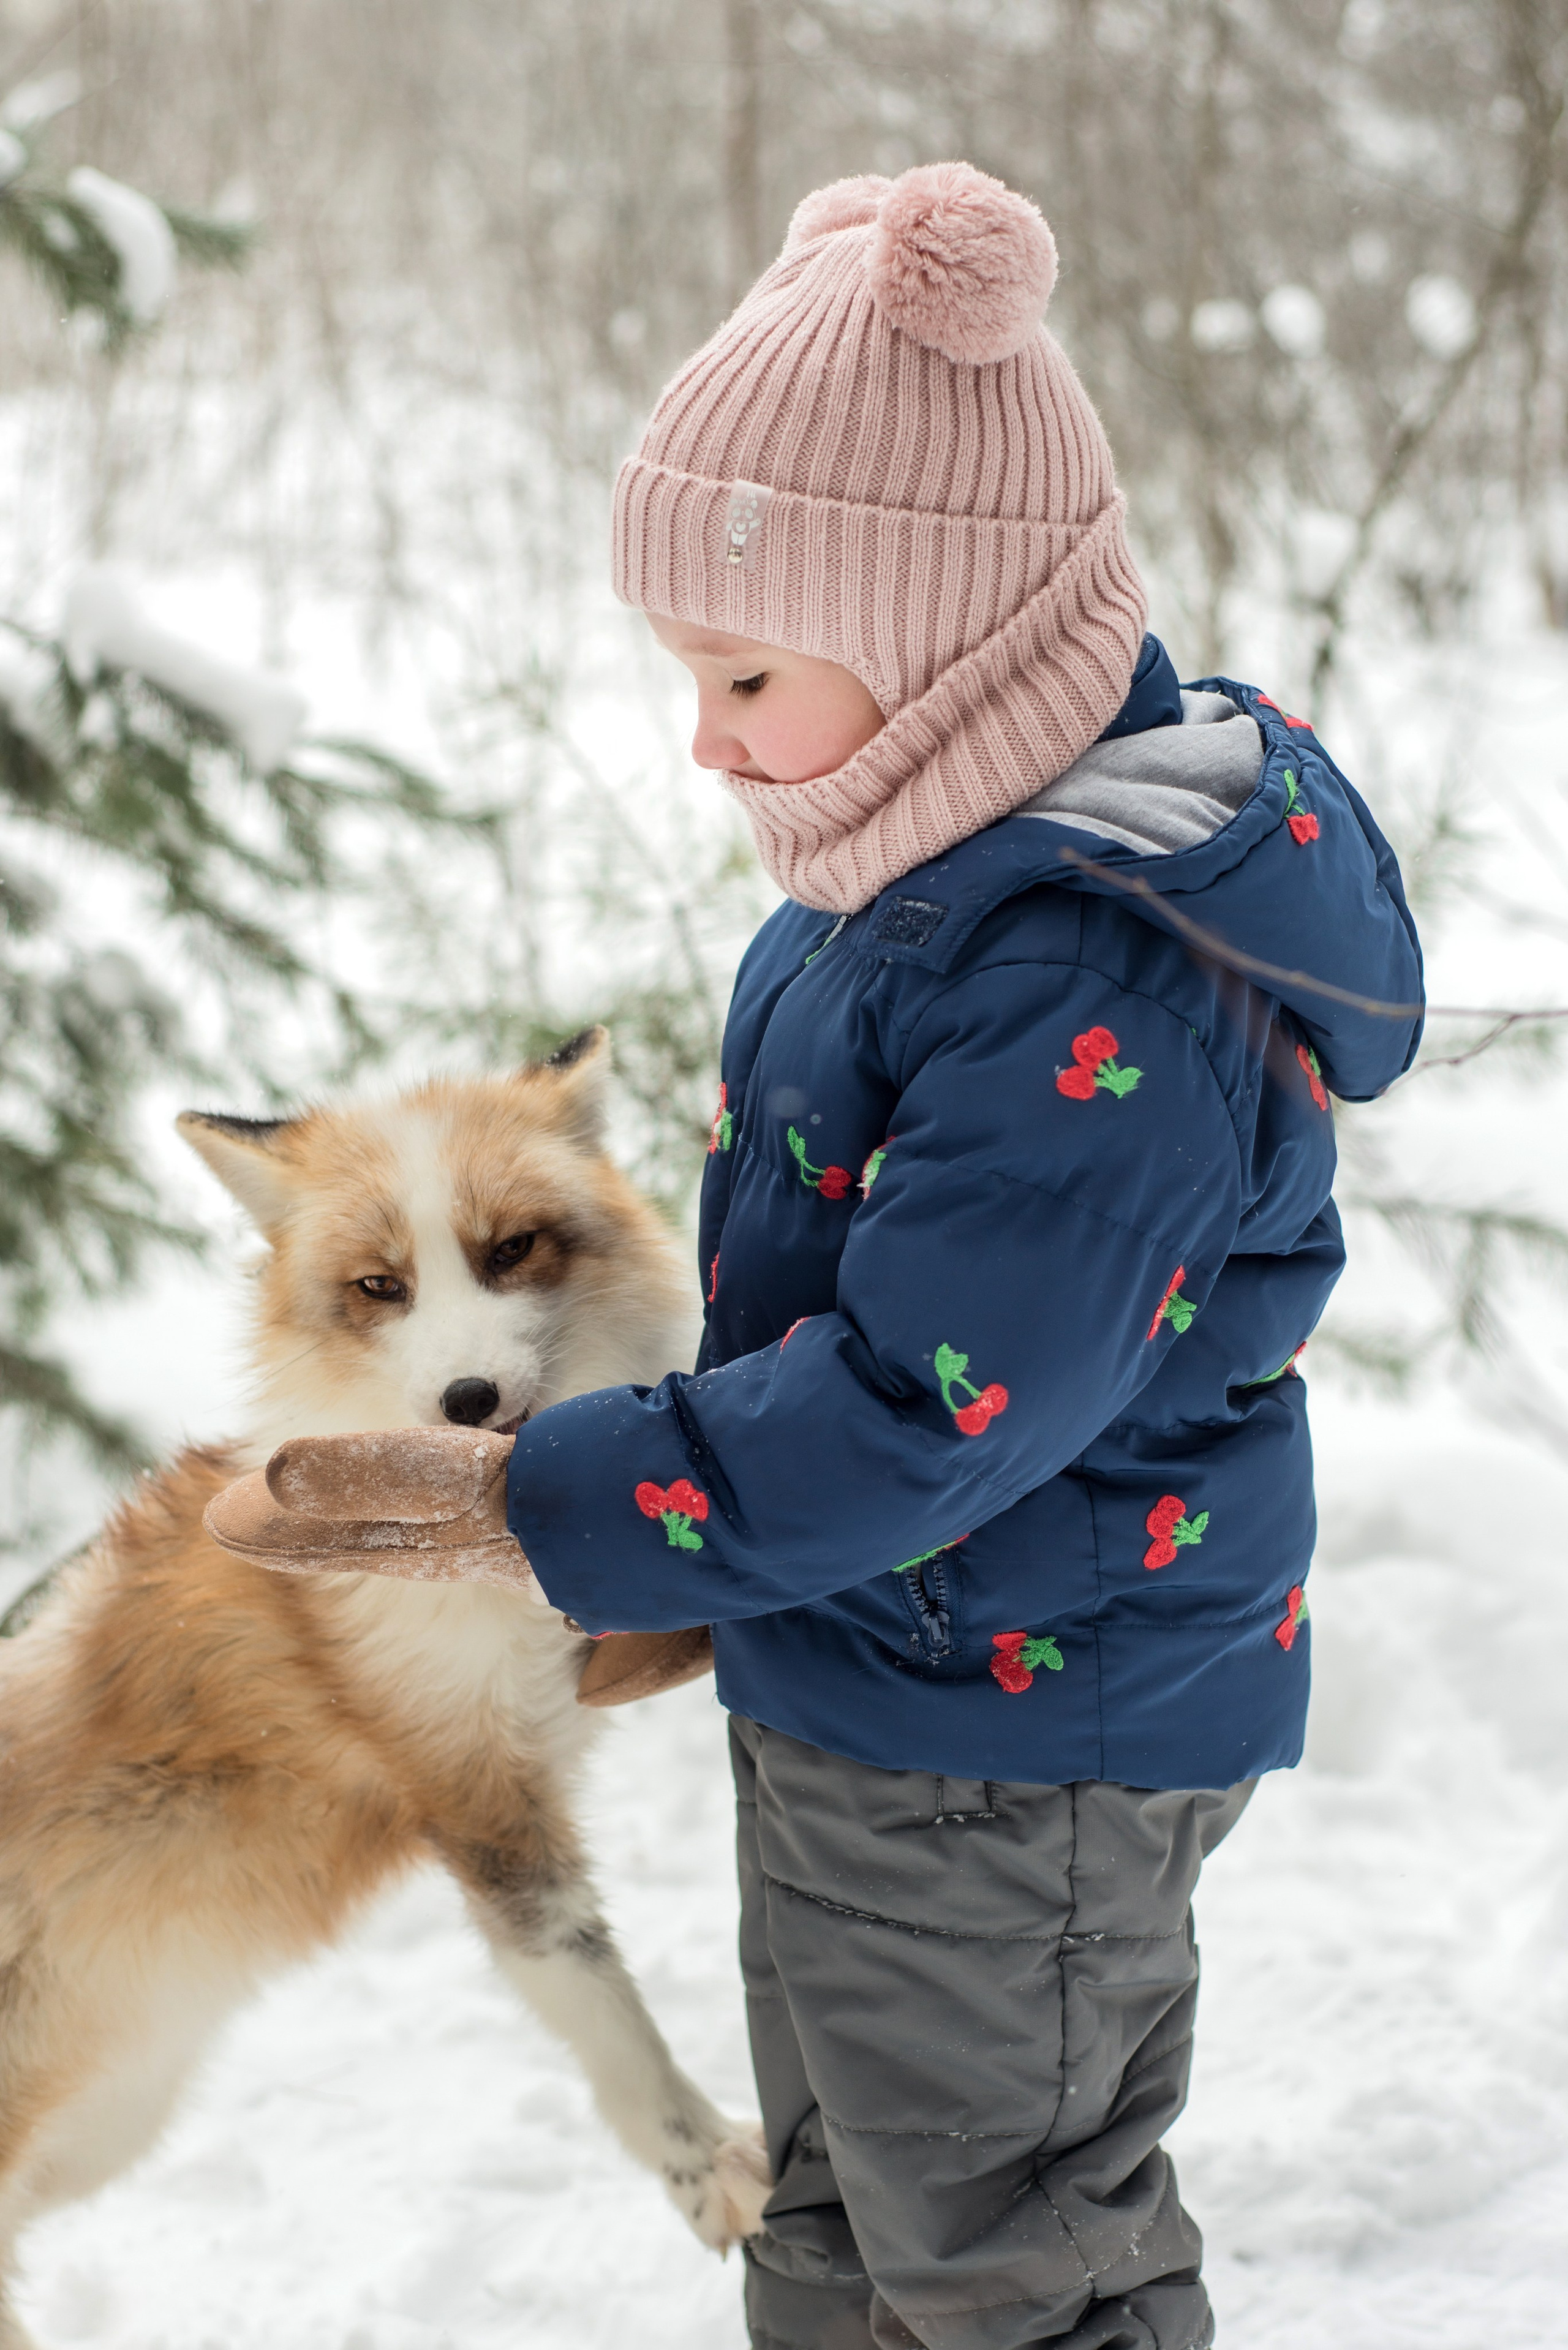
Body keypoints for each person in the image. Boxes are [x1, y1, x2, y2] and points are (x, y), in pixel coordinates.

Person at [213, 164, 1423, 2348]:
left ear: (946, 626)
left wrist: (554, 1512)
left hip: (1019, 1738)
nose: (705, 734)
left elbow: (928, 1399)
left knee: (1013, 2259)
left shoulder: (1080, 976)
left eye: (746, 669)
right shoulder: (907, 881)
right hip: (894, 1686)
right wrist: (715, 1574)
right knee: (851, 2217)